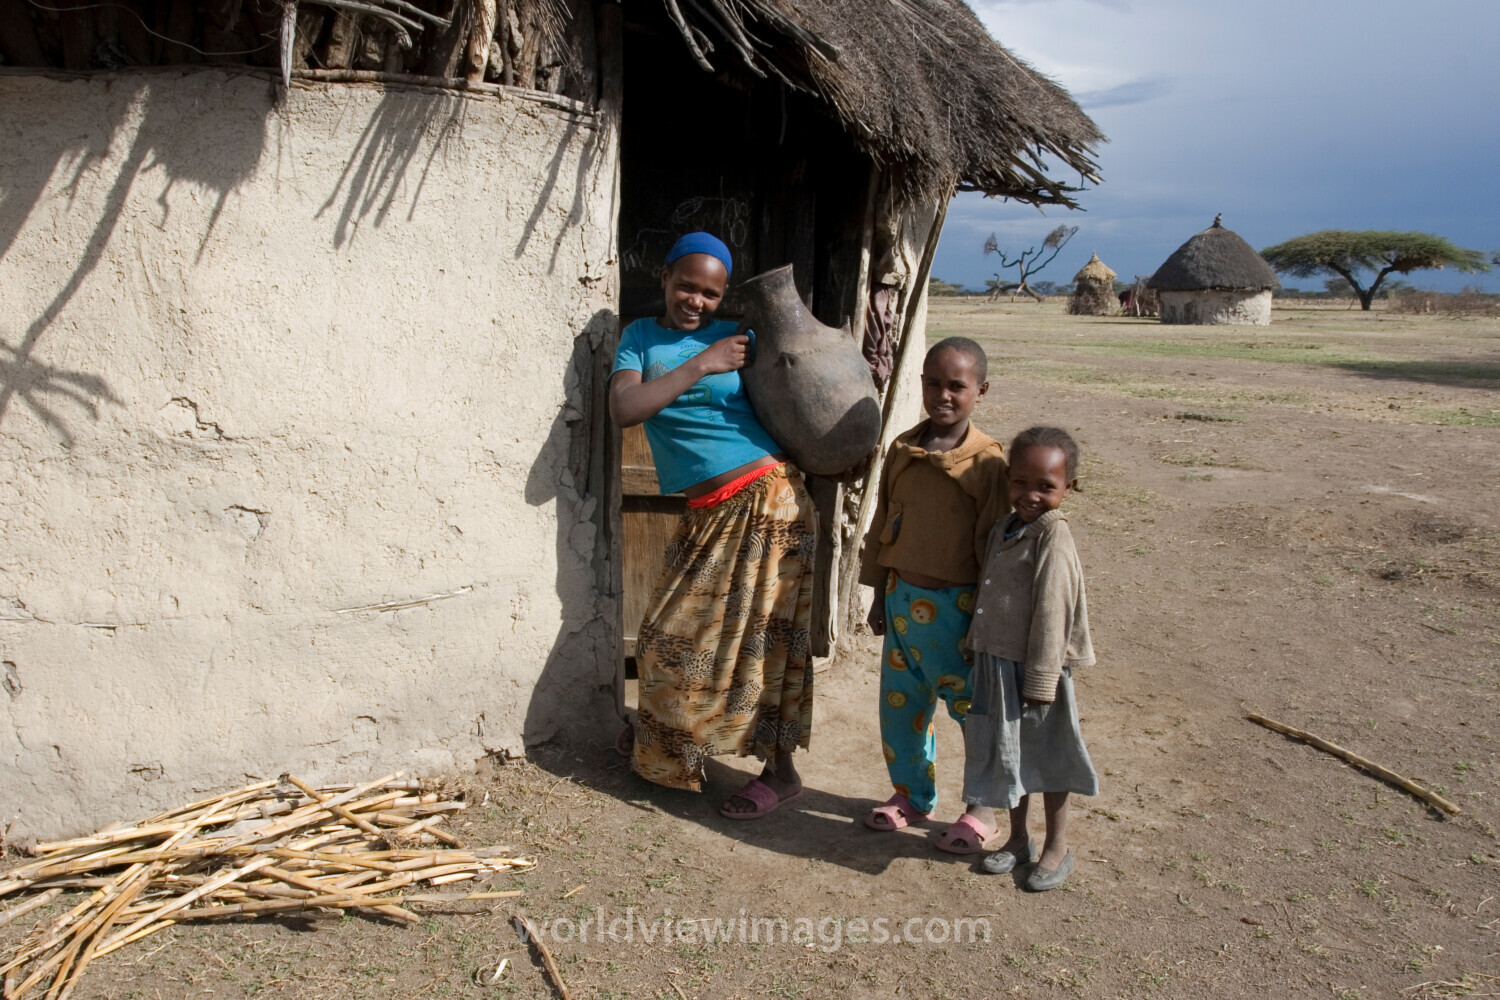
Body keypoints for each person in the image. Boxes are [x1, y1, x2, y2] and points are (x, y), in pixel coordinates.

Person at [610, 231, 818, 820]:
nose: (696, 301)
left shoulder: (742, 337)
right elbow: (625, 408)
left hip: (769, 502)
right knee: (663, 639)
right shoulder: (640, 338)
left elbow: (797, 389)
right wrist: (703, 362)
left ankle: (781, 774)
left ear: (723, 295)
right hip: (709, 511)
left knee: (768, 643)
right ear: (665, 278)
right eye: (686, 286)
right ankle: (665, 735)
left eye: (710, 293)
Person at [858, 337, 1011, 853]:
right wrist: (878, 594)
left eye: (956, 386)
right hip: (903, 604)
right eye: (933, 383)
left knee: (973, 715)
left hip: (959, 614)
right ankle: (911, 795)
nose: (943, 395)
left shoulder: (987, 464)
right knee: (901, 710)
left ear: (980, 391)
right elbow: (884, 522)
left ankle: (982, 809)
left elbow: (994, 550)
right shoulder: (903, 449)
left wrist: (985, 623)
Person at [963, 426, 1098, 891]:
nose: (1031, 495)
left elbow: (1053, 610)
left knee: (1049, 756)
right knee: (1011, 757)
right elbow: (988, 588)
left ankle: (1056, 847)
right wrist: (975, 642)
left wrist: (1041, 679)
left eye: (1046, 486)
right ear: (1008, 480)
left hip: (1037, 670)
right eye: (1021, 483)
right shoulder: (1004, 529)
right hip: (997, 663)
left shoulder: (1053, 536)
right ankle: (1018, 839)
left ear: (1068, 487)